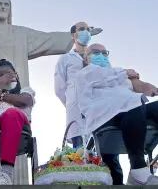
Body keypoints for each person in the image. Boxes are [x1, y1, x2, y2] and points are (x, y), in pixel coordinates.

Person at [54, 22, 142, 185]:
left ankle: (116, 183)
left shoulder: (98, 56)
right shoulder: (65, 59)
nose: (85, 32)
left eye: (88, 29)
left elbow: (108, 79)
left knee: (109, 154)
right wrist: (74, 104)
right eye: (81, 29)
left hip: (104, 108)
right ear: (73, 35)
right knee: (80, 154)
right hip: (77, 110)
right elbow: (59, 88)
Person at [76, 43, 158, 185]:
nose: (101, 56)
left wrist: (148, 87)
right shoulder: (84, 74)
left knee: (139, 103)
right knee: (133, 101)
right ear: (86, 58)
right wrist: (125, 72)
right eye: (95, 52)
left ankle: (138, 174)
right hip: (105, 115)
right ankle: (138, 168)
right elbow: (102, 77)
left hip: (132, 113)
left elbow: (140, 85)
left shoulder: (120, 74)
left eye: (104, 53)